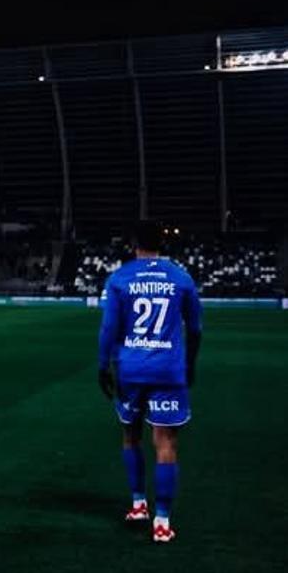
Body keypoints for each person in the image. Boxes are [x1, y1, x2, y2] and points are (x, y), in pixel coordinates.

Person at [97, 220, 203, 543]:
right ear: (163, 243)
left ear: (133, 244)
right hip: (168, 370)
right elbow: (196, 329)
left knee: (131, 436)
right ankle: (162, 522)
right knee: (166, 443)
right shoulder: (181, 277)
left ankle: (138, 504)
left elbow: (109, 328)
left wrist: (103, 366)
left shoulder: (120, 278)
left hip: (130, 369)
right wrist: (189, 365)